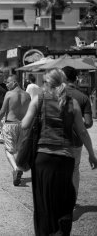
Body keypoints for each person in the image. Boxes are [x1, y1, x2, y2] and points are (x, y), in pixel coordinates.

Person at [21, 68, 97, 235]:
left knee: (43, 203)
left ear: (46, 82)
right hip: (65, 159)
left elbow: (25, 125)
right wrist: (91, 154)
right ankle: (61, 232)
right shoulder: (73, 102)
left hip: (43, 158)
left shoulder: (38, 98)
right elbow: (83, 131)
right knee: (64, 201)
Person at [62, 66, 93, 200]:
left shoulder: (52, 94)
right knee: (74, 169)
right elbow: (88, 123)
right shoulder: (83, 97)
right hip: (75, 141)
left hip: (55, 141)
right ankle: (71, 201)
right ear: (76, 79)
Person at [0, 75, 31, 186]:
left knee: (9, 150)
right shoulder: (27, 95)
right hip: (23, 125)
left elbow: (2, 111)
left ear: (14, 82)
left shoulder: (9, 94)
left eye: (8, 82)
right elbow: (31, 111)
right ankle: (18, 167)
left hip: (10, 124)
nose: (6, 84)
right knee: (19, 149)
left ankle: (16, 168)